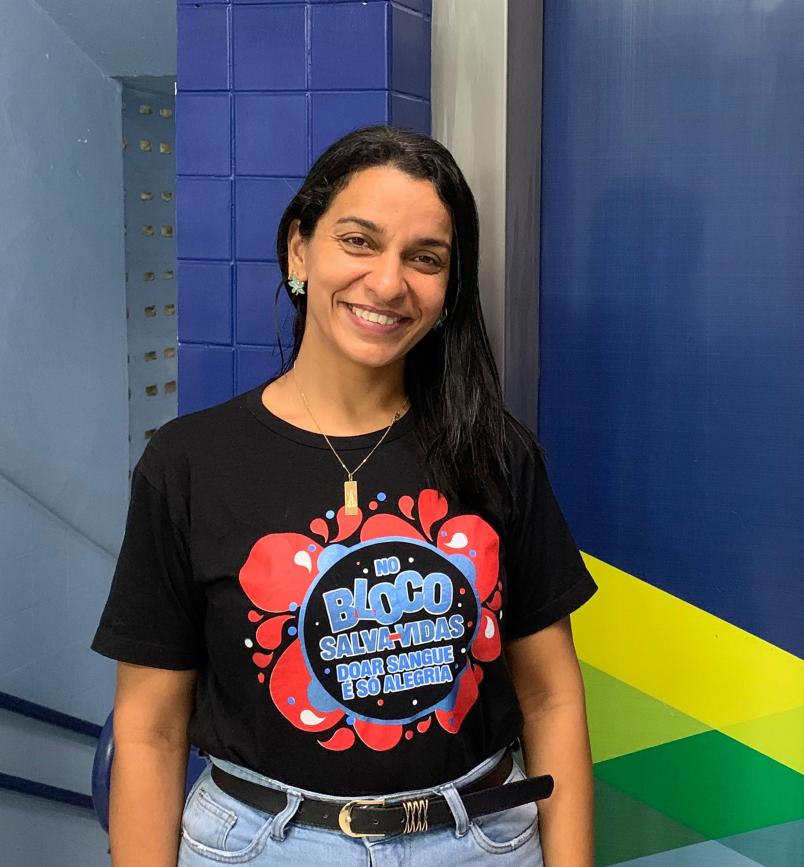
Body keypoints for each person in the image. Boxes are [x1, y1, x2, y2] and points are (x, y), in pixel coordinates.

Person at [93, 126, 598, 866]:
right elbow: (149, 729)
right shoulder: (188, 463)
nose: (389, 283)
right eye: (359, 241)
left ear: (449, 289)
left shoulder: (496, 453)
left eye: (425, 258)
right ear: (300, 249)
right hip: (261, 847)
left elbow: (552, 698)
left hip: (477, 842)